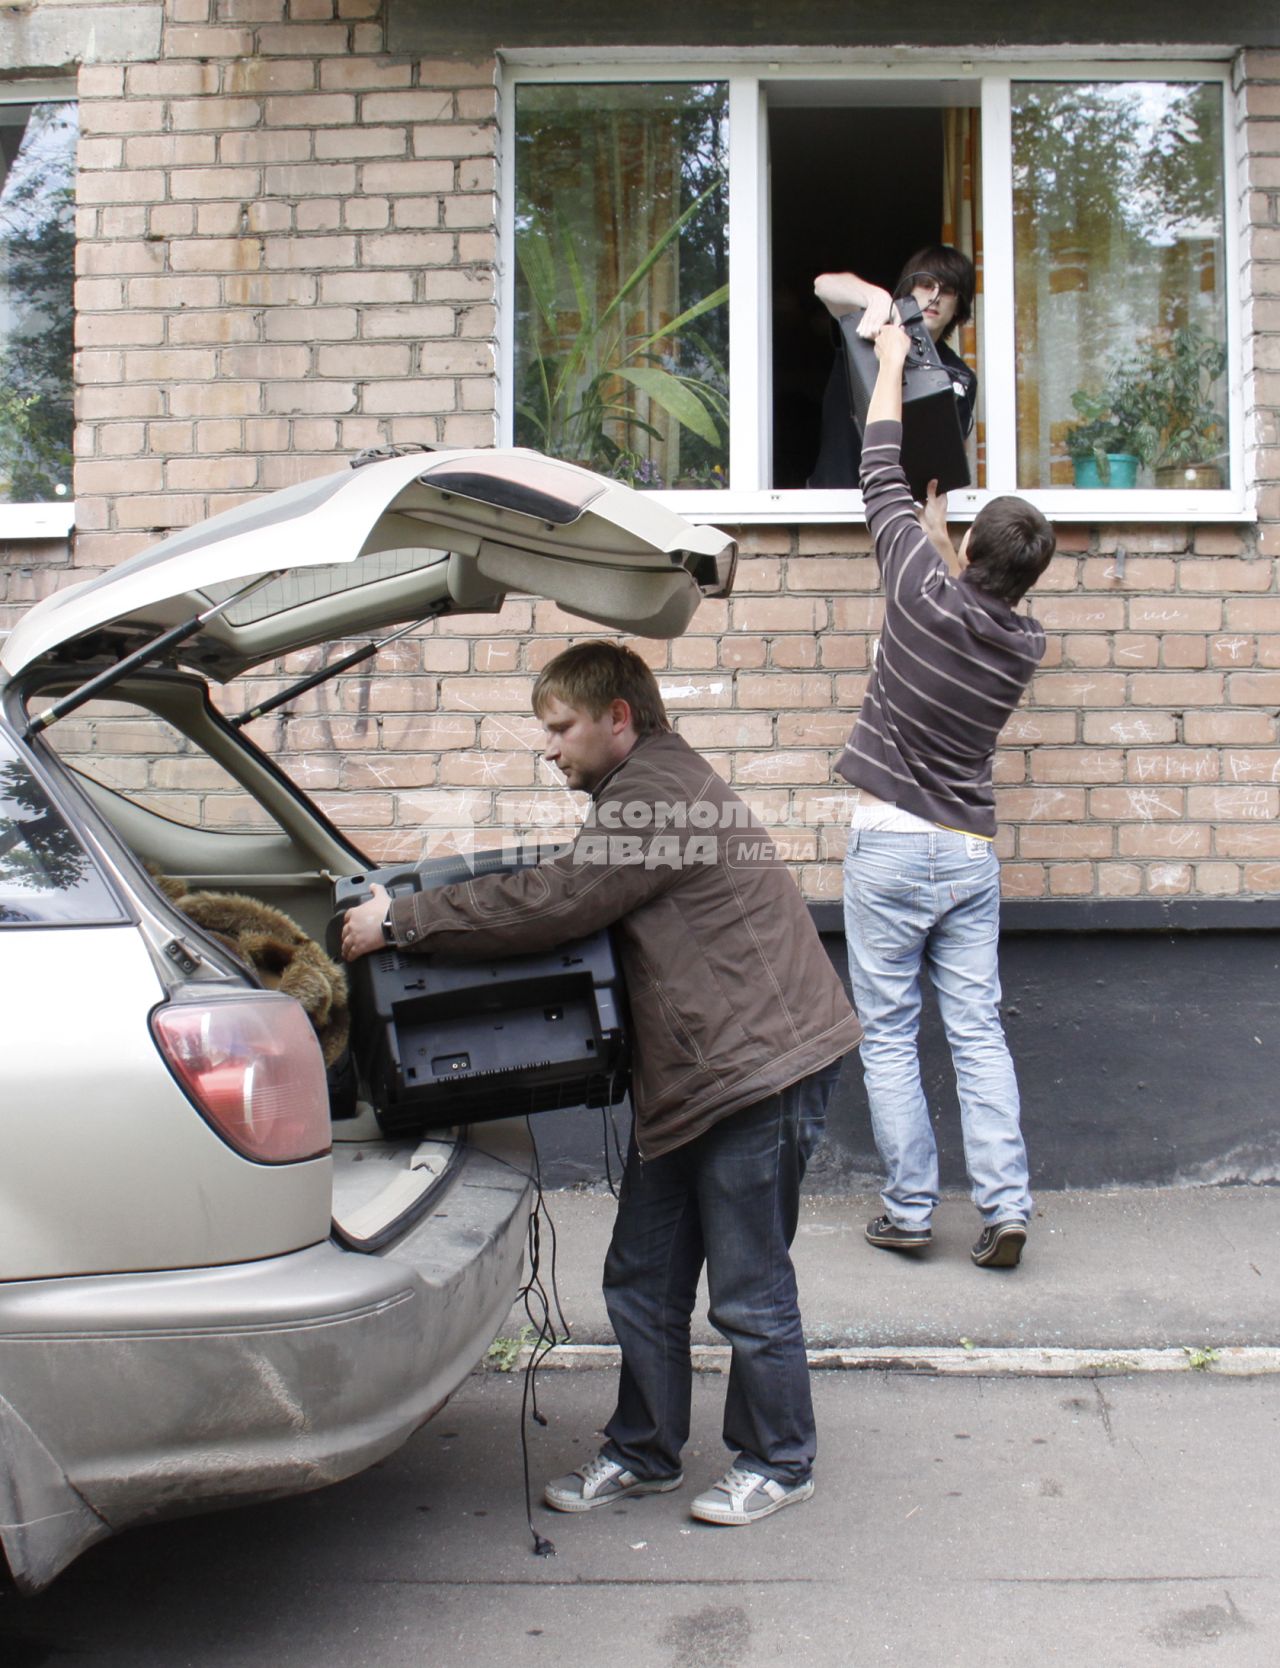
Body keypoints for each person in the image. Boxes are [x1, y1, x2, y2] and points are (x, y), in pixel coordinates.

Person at [341, 642, 861, 1525]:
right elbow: (570, 892)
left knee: (746, 1283)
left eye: (560, 728)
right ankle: (646, 1450)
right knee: (643, 1275)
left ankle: (779, 1459)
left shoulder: (658, 796)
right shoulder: (646, 788)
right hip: (700, 1074)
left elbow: (558, 901)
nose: (550, 749)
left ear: (618, 717)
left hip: (754, 1068)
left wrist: (404, 921)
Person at [837, 317, 1055, 1270]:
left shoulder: (923, 591)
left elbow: (878, 472)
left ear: (967, 550)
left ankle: (911, 1210)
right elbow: (974, 600)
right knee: (976, 1033)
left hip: (889, 844)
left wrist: (888, 363)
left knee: (888, 1035)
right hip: (969, 856)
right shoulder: (1024, 644)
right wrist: (945, 544)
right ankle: (1006, 1207)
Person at [808, 243, 978, 489]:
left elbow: (943, 462)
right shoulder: (869, 326)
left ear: (959, 306)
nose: (935, 297)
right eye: (927, 285)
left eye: (948, 290)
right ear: (909, 288)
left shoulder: (960, 377)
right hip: (835, 498)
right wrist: (875, 297)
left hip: (899, 507)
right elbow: (823, 285)